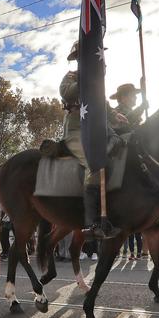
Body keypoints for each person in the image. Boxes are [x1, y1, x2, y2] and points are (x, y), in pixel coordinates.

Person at [59, 40, 125, 239]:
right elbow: (66, 92)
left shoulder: (97, 81)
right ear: (79, 58)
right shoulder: (70, 77)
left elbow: (102, 102)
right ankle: (92, 224)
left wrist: (115, 116)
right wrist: (87, 76)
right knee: (93, 165)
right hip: (76, 131)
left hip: (97, 130)